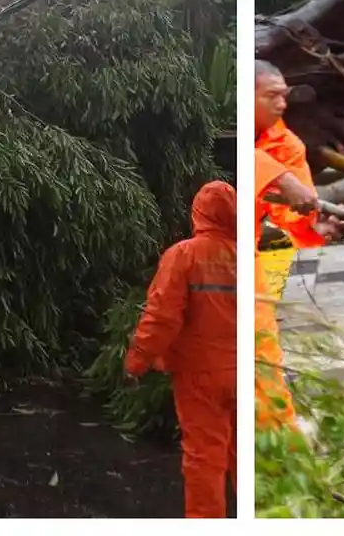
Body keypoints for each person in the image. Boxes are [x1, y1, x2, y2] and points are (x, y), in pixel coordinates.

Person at [124, 181, 237, 518]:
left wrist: (135, 363)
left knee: (204, 458)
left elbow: (161, 318)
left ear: (198, 214)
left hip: (200, 375)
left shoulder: (184, 256)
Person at [253, 60, 343, 431]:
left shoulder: (288, 145)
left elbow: (295, 212)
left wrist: (315, 224)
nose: (281, 104)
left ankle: (279, 443)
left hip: (250, 256)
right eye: (271, 95)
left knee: (260, 350)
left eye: (284, 96)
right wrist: (275, 176)